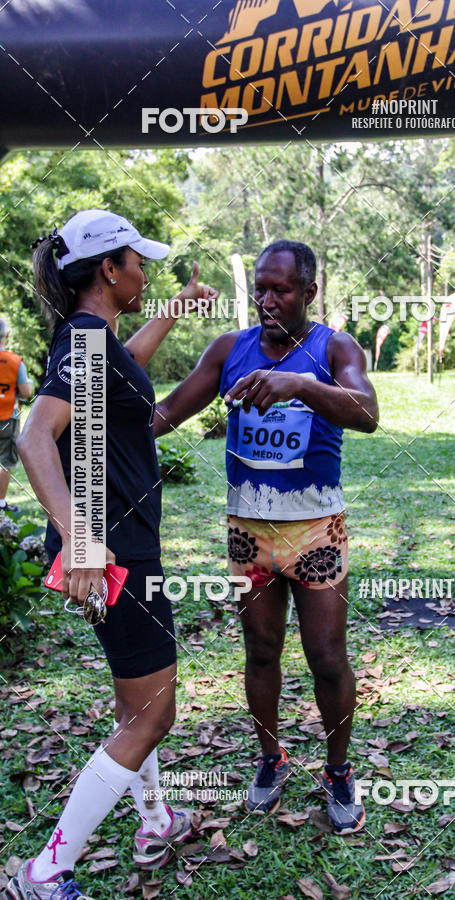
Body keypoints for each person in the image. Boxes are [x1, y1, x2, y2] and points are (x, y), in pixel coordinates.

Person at [8, 209, 217, 900]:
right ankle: (46, 872)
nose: (144, 275)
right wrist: (80, 538)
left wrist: (175, 310)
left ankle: (155, 821)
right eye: (138, 263)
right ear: (109, 268)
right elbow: (33, 437)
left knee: (137, 702)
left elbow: (127, 373)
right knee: (153, 714)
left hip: (116, 549)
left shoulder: (93, 339)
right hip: (113, 553)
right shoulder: (86, 342)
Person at [154, 239, 379, 835]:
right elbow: (167, 411)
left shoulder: (335, 347)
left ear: (309, 292)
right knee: (260, 650)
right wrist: (91, 427)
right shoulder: (230, 349)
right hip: (248, 533)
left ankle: (338, 771)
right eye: (261, 289)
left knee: (327, 657)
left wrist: (298, 385)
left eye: (281, 289)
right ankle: (271, 759)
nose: (268, 300)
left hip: (316, 530)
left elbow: (367, 411)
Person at [0, 318, 33, 511]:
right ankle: (1, 502)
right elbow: (27, 392)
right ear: (7, 335)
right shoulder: (14, 361)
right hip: (8, 417)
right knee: (5, 460)